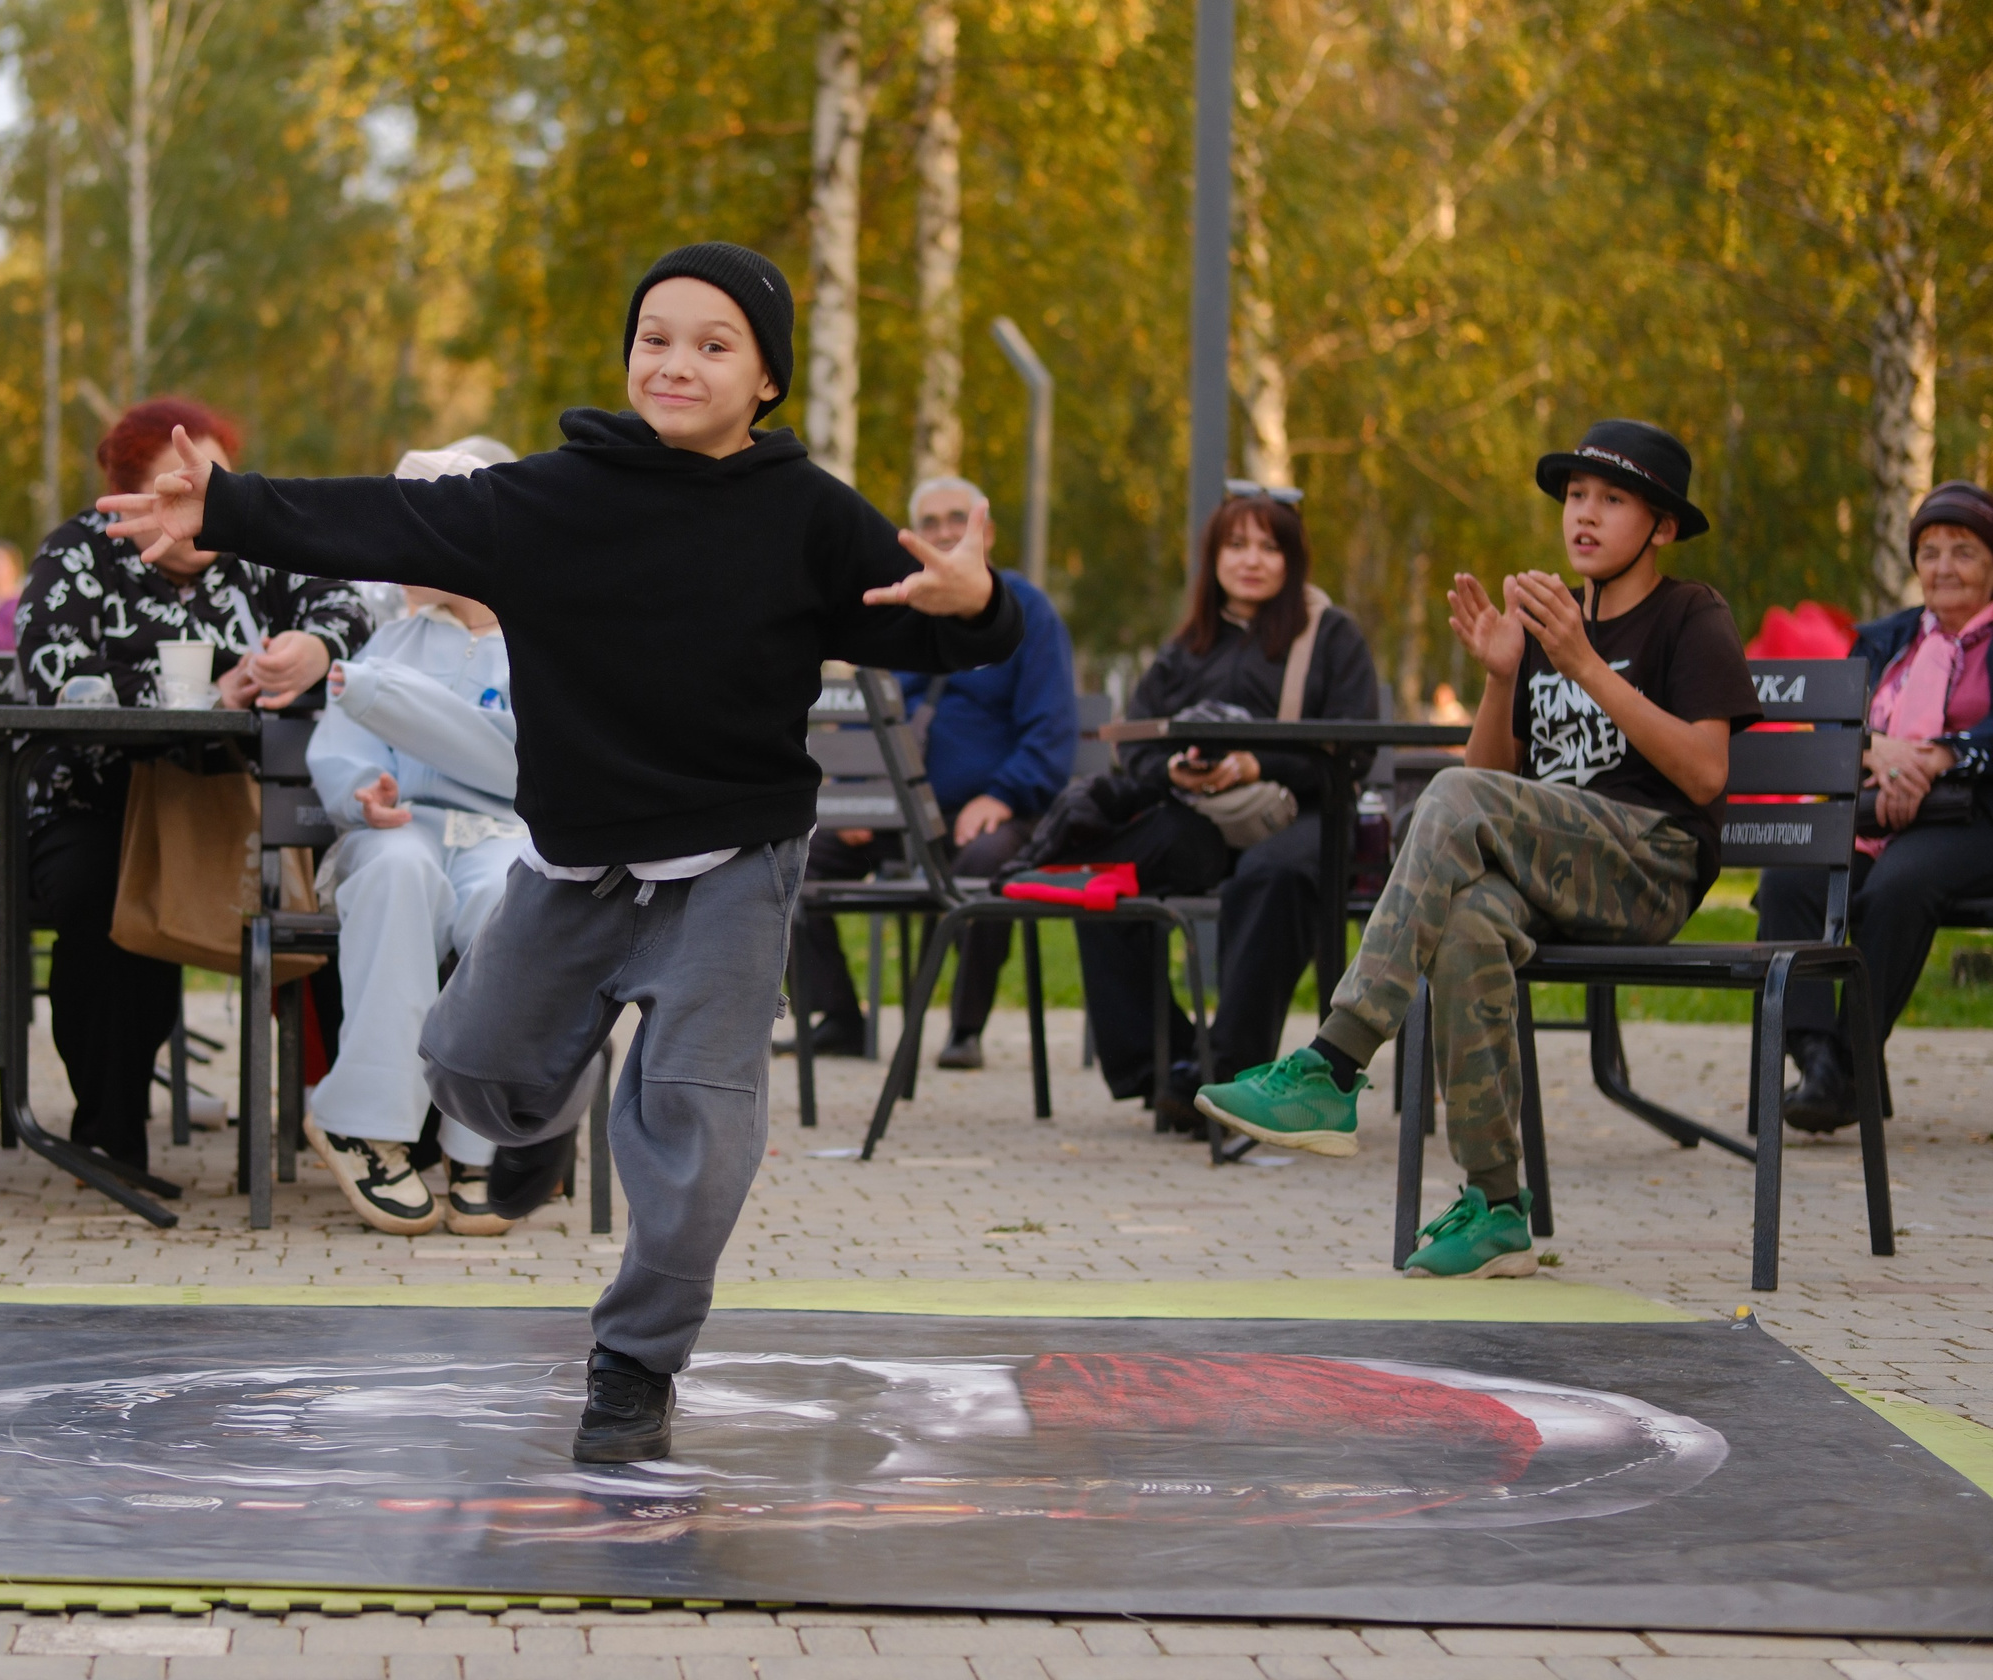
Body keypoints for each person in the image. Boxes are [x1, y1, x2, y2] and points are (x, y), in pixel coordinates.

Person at [99, 242, 1021, 1463]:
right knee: (468, 1068)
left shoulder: (806, 513)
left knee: (693, 1131)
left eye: (712, 345)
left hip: (733, 868)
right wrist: (225, 508)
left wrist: (980, 603)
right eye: (655, 338)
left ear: (765, 380)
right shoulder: (548, 500)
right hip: (575, 863)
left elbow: (943, 616)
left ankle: (634, 1365)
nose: (675, 362)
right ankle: (537, 1123)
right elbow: (385, 515)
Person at [1197, 420, 1762, 1278]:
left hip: (1652, 865)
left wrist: (1584, 665)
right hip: (1557, 873)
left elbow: (1706, 771)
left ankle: (1336, 1062)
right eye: (1576, 495)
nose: (1584, 514)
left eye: (1613, 499)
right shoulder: (1548, 627)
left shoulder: (1691, 614)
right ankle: (1497, 1206)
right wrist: (1504, 675)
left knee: (1453, 795)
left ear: (1663, 527)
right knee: (1465, 924)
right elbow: (1491, 783)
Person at [17, 397, 371, 1176]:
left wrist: (314, 648)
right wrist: (213, 692)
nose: (199, 505)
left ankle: (374, 1129)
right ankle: (109, 1135)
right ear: (124, 496)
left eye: (213, 486)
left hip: (247, 803)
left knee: (360, 877)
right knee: (101, 891)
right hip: (102, 797)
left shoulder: (261, 547)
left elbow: (351, 606)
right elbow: (55, 672)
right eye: (177, 488)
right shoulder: (77, 554)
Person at [1060, 489, 1380, 1128]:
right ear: (1213, 557)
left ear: (1293, 559)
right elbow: (1137, 744)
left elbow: (1356, 747)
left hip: (1303, 813)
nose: (1251, 560)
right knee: (1100, 881)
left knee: (1271, 876)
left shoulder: (1330, 635)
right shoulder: (1188, 645)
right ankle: (1166, 1064)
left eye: (1269, 547)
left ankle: (1230, 1074)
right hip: (1199, 817)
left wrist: (1258, 764)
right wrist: (1173, 770)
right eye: (1236, 545)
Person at [304, 439, 530, 1237]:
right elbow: (341, 746)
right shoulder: (389, 643)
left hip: (504, 836)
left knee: (515, 899)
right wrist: (362, 791)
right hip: (401, 834)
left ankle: (483, 1142)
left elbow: (542, 768)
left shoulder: (543, 641)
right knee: (397, 872)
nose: (392, 552)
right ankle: (365, 1126)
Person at [787, 475, 1076, 1068]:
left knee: (985, 863)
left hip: (989, 814)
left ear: (985, 532)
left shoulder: (1027, 612)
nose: (944, 532)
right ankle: (838, 1017)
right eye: (930, 522)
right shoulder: (899, 609)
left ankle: (964, 1029)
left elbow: (1051, 730)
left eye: (957, 518)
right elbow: (871, 716)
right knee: (791, 861)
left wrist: (1002, 795)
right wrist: (859, 794)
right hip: (899, 812)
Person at [1766, 480, 1993, 1131]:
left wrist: (1941, 756)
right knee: (1789, 880)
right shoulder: (1886, 637)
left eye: (1964, 552)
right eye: (1930, 551)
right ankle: (1818, 1061)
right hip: (1876, 814)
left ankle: (1848, 1061)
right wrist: (1880, 752)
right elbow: (1834, 726)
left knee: (1899, 885)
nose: (1944, 567)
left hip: (1975, 818)